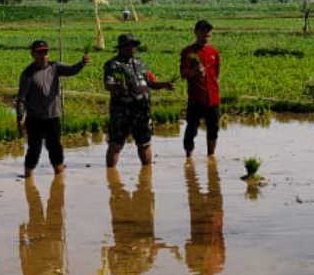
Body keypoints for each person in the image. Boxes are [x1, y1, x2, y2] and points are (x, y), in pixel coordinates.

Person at [16, 39, 89, 176]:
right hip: (35, 119)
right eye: (40, 53)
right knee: (34, 150)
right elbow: (21, 98)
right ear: (33, 54)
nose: (43, 55)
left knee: (55, 148)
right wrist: (20, 117)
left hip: (53, 117)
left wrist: (81, 64)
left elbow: (71, 70)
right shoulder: (28, 73)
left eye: (46, 52)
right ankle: (27, 176)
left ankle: (59, 177)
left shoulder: (55, 67)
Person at [103, 33, 174, 167]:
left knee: (144, 143)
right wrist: (118, 87)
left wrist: (164, 84)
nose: (132, 48)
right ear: (121, 47)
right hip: (121, 112)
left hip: (142, 111)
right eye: (129, 45)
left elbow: (151, 82)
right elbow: (108, 84)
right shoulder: (113, 65)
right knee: (115, 144)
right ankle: (111, 174)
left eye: (134, 45)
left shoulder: (141, 64)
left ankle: (146, 176)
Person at [180, 19, 221, 157]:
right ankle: (188, 157)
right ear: (196, 32)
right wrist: (195, 72)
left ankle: (211, 156)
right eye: (203, 30)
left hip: (213, 98)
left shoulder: (214, 52)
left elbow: (216, 74)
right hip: (196, 99)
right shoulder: (188, 52)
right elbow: (183, 74)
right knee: (191, 129)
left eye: (208, 30)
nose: (206, 33)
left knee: (213, 128)